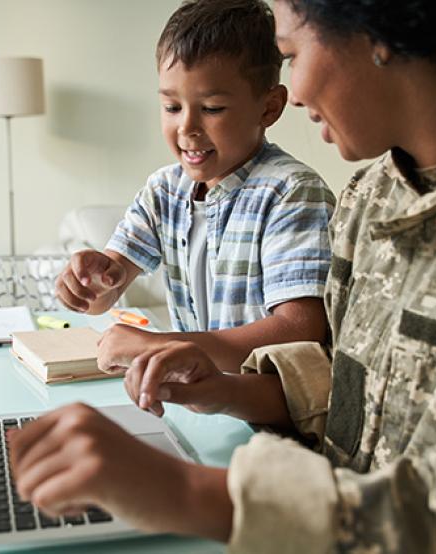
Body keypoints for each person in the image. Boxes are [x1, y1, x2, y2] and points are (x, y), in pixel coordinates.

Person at [9, 0, 436, 552]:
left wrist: (183, 489)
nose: (293, 93)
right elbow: (342, 387)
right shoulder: (369, 200)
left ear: (378, 30)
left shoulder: (300, 193)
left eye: (291, 54)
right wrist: (222, 390)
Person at [55, 0, 335, 377]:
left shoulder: (291, 193)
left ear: (269, 108)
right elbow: (110, 285)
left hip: (268, 413)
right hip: (197, 399)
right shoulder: (164, 191)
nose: (187, 128)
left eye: (213, 108)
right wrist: (91, 286)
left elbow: (301, 329)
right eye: (172, 107)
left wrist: (170, 346)